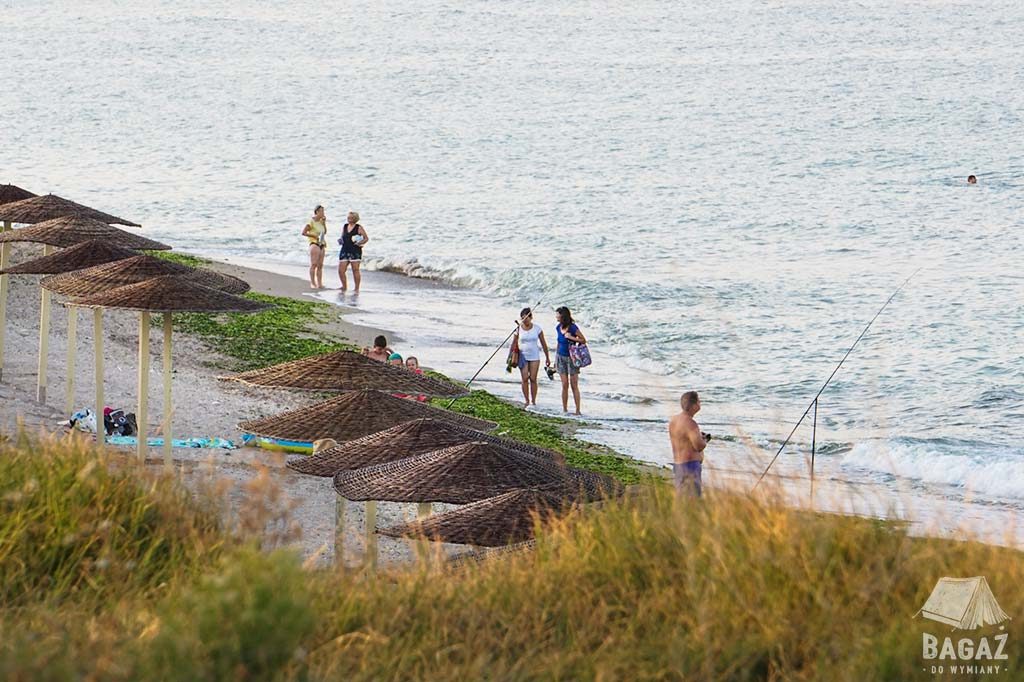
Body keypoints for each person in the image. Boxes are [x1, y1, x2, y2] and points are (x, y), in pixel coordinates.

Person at [668, 391, 710, 497]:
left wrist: (697, 436)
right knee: (692, 501)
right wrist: (704, 440)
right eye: (699, 401)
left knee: (682, 499)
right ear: (694, 405)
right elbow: (699, 446)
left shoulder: (674, 420)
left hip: (678, 465)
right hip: (690, 466)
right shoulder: (691, 423)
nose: (700, 404)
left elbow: (683, 439)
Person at [513, 307, 552, 408]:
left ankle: (533, 401)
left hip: (534, 356)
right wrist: (512, 356)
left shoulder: (537, 328)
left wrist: (547, 357)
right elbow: (514, 343)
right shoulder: (518, 328)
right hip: (522, 356)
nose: (524, 320)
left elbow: (544, 344)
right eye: (522, 318)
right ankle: (527, 400)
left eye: (526, 318)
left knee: (533, 378)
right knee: (525, 378)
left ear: (531, 317)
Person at [554, 306, 586, 415]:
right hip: (560, 356)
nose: (556, 316)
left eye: (557, 314)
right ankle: (565, 409)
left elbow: (583, 340)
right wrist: (555, 360)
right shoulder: (558, 327)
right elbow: (558, 343)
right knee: (564, 384)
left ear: (563, 315)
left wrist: (571, 337)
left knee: (574, 384)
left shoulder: (572, 327)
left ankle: (577, 410)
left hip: (572, 357)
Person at [338, 211, 369, 292]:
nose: (349, 219)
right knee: (341, 270)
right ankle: (344, 286)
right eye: (348, 217)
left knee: (355, 270)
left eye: (351, 218)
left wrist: (359, 242)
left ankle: (356, 288)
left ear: (355, 219)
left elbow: (366, 238)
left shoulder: (358, 227)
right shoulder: (345, 226)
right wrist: (340, 240)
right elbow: (342, 237)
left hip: (355, 250)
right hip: (344, 250)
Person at [301, 205, 327, 289]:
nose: (323, 213)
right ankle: (312, 283)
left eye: (323, 211)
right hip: (314, 243)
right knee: (314, 264)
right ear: (317, 212)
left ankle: (319, 283)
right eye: (321, 211)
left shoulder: (321, 221)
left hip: (322, 243)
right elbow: (304, 232)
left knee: (320, 265)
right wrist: (313, 235)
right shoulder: (311, 221)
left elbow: (324, 232)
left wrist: (324, 223)